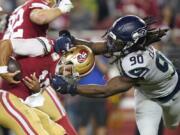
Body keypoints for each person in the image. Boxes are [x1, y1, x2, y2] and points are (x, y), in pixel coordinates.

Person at [50, 15, 180, 135]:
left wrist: (71, 88)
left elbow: (106, 90)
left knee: (173, 124)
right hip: (146, 94)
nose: (111, 44)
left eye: (116, 42)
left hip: (172, 95)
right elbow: (93, 47)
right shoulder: (128, 46)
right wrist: (71, 40)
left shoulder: (138, 63)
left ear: (131, 43)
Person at [0, 36, 79, 135]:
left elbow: (34, 102)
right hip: (5, 96)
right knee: (36, 128)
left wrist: (36, 90)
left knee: (55, 129)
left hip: (21, 100)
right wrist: (2, 70)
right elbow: (5, 44)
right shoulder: (43, 47)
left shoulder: (54, 72)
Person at [3, 0, 73, 39]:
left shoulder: (18, 9)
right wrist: (62, 8)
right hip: (26, 56)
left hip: (10, 55)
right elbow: (40, 17)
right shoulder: (38, 3)